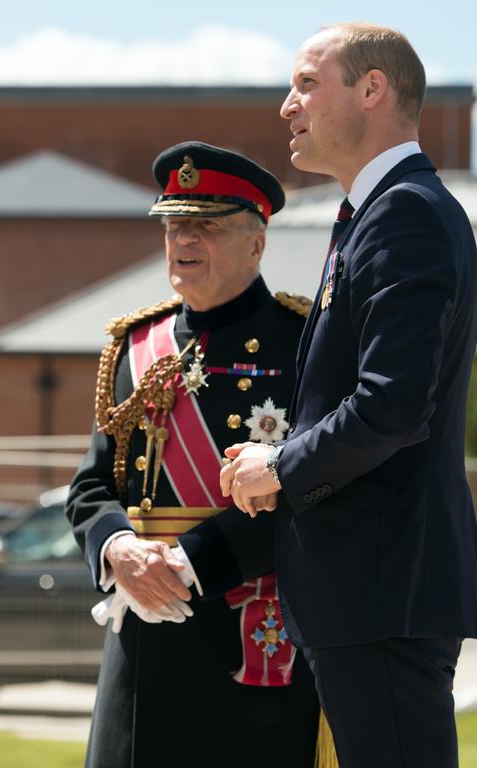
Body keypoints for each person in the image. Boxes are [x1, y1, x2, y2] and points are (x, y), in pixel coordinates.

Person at [221, 22, 477, 768]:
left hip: (382, 590)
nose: (285, 106)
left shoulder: (404, 215)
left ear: (374, 89)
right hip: (368, 589)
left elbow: (392, 403)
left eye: (307, 83)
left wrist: (281, 467)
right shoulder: (376, 213)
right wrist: (283, 454)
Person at [67, 142, 325, 767]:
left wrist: (188, 564)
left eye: (206, 226)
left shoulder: (303, 342)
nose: (184, 240)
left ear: (256, 243)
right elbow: (91, 488)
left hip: (247, 636)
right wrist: (119, 548)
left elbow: (314, 488)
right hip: (143, 637)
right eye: (175, 225)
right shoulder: (136, 346)